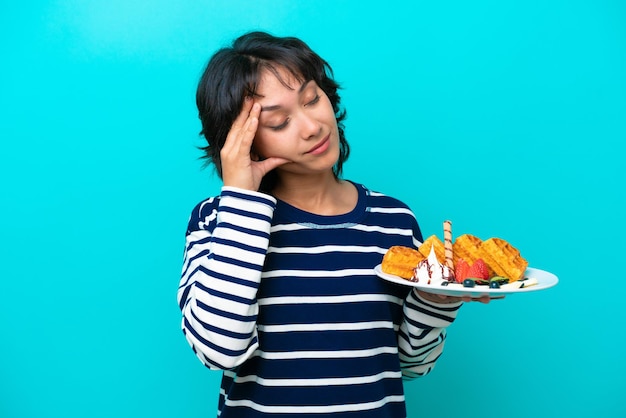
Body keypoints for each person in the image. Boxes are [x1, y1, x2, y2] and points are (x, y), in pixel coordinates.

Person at [178, 31, 487, 418]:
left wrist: (437, 301)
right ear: (245, 143)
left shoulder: (394, 221)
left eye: (312, 99)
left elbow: (411, 365)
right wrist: (240, 198)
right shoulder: (219, 221)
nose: (312, 126)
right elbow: (219, 349)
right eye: (279, 121)